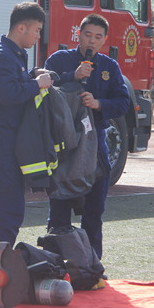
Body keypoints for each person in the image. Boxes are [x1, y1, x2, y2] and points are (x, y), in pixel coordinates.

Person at [44, 13, 130, 259]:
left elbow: (123, 102)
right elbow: (42, 86)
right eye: (88, 35)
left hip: (96, 144)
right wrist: (73, 76)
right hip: (62, 145)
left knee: (94, 209)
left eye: (98, 37)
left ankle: (92, 266)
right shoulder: (60, 60)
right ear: (78, 35)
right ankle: (54, 263)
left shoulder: (109, 66)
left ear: (104, 40)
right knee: (59, 208)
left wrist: (98, 103)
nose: (92, 41)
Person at [0, 1, 53, 245]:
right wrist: (36, 85)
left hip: (4, 140)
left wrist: (32, 75)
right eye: (37, 30)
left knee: (3, 207)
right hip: (1, 141)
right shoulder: (3, 55)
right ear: (21, 28)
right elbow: (8, 95)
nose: (38, 36)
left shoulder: (12, 54)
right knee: (10, 209)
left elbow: (13, 84)